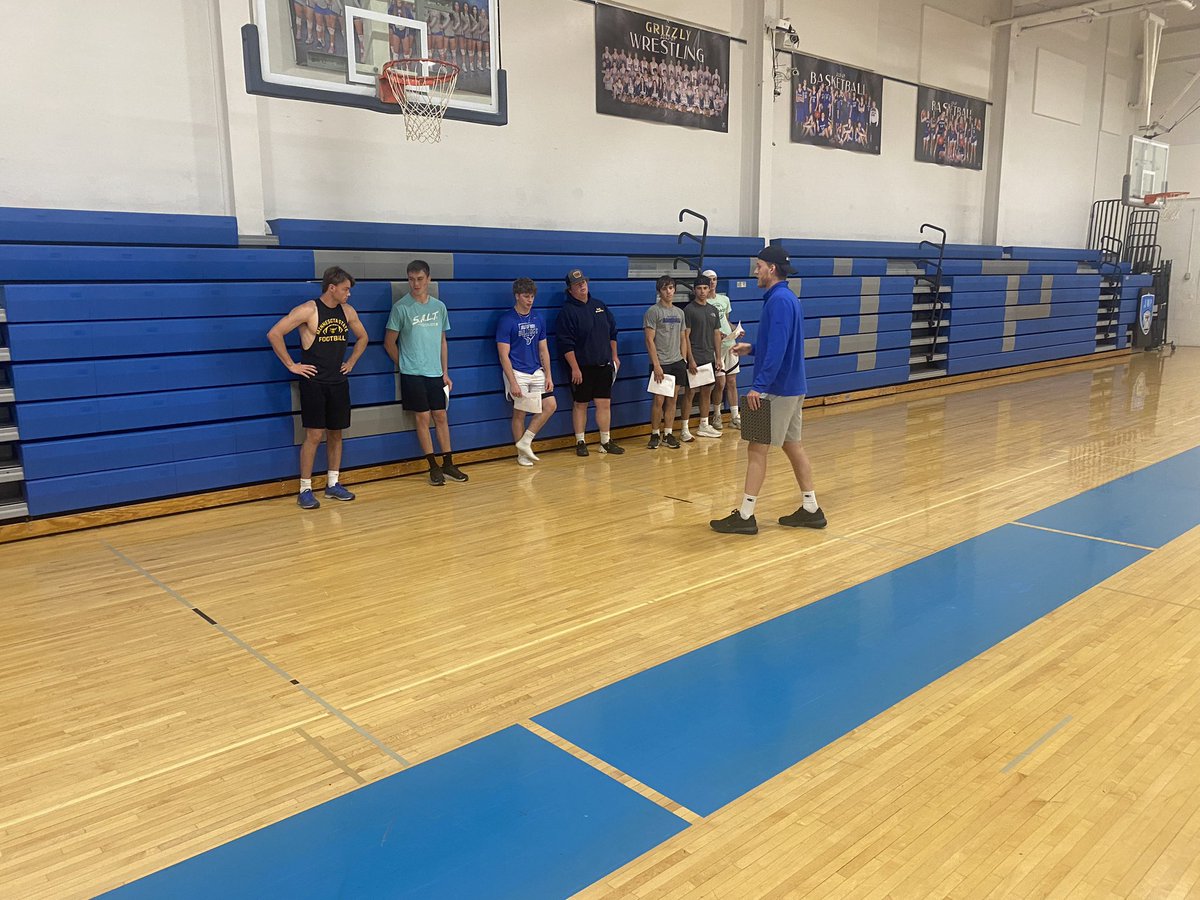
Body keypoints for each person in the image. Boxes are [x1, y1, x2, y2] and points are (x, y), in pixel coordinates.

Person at [710, 245, 826, 535]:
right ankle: (811, 508)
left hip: (775, 388)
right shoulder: (786, 298)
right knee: (792, 445)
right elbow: (780, 344)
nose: (756, 270)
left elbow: (778, 348)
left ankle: (746, 516)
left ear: (772, 268)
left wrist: (759, 386)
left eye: (759, 265)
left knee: (756, 449)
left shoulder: (779, 302)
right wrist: (753, 349)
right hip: (792, 386)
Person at [267, 266, 368, 509]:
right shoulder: (308, 310)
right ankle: (305, 488)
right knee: (313, 435)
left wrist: (351, 361)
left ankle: (333, 484)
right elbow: (274, 334)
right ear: (331, 288)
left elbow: (363, 337)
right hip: (314, 383)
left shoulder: (348, 311)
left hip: (338, 381)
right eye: (345, 289)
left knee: (336, 433)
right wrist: (292, 365)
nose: (348, 294)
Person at [384, 259, 469, 486]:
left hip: (435, 372)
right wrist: (404, 364)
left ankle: (448, 462)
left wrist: (445, 372)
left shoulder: (439, 307)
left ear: (429, 279)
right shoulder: (401, 307)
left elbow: (443, 341)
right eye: (411, 279)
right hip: (412, 373)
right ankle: (433, 466)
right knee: (422, 418)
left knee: (441, 416)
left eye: (420, 279)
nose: (415, 284)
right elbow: (389, 342)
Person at [556, 268, 624, 456]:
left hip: (603, 365)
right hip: (582, 368)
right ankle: (580, 441)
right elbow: (565, 343)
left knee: (604, 404)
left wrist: (615, 356)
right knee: (581, 404)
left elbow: (612, 333)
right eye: (577, 285)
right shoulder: (567, 312)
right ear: (570, 290)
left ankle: (605, 440)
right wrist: (575, 368)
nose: (582, 286)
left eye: (583, 283)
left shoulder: (600, 305)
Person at [496, 277, 557, 466]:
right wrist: (512, 381)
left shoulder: (538, 318)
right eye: (525, 296)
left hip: (535, 369)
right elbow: (503, 355)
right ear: (517, 296)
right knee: (520, 413)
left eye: (532, 296)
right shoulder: (507, 320)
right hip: (517, 371)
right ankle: (521, 454)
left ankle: (525, 441)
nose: (529, 300)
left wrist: (548, 375)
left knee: (550, 405)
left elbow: (543, 349)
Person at [642, 275, 687, 450]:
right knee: (659, 400)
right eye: (665, 288)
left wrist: (683, 358)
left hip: (677, 362)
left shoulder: (679, 313)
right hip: (661, 363)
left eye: (671, 288)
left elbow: (683, 337)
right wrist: (656, 365)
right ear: (659, 291)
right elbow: (649, 340)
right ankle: (655, 433)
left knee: (672, 400)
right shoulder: (653, 312)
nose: (669, 291)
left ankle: (668, 433)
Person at [681, 275, 723, 441]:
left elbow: (716, 335)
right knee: (690, 393)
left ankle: (704, 424)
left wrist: (718, 357)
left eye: (705, 288)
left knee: (707, 391)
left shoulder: (713, 310)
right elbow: (686, 336)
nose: (702, 291)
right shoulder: (689, 310)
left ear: (709, 288)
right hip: (695, 358)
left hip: (709, 357)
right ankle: (684, 427)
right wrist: (690, 359)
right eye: (699, 288)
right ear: (694, 290)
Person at [703, 268, 740, 429]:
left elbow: (726, 320)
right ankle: (716, 415)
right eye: (709, 279)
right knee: (720, 383)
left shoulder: (724, 300)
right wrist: (717, 335)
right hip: (715, 348)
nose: (712, 282)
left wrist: (735, 330)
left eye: (715, 279)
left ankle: (734, 417)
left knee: (732, 381)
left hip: (730, 345)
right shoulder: (704, 302)